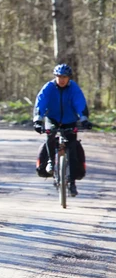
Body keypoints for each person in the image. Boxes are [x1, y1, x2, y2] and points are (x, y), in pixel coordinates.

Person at [33, 63, 91, 197]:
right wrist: (37, 120)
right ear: (55, 77)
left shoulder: (73, 88)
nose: (62, 79)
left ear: (69, 78)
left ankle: (72, 183)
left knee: (72, 149)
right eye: (59, 76)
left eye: (64, 77)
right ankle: (50, 162)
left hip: (69, 120)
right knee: (50, 136)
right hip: (52, 118)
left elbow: (79, 103)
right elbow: (40, 102)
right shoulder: (49, 87)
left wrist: (83, 119)